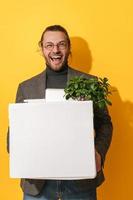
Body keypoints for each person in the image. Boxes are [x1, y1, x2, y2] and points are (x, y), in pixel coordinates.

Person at [7, 25, 113, 200]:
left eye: (61, 44)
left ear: (68, 47)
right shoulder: (26, 87)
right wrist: (20, 156)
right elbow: (15, 131)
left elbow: (104, 124)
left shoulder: (90, 83)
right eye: (49, 45)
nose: (55, 50)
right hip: (38, 184)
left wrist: (98, 153)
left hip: (80, 183)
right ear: (41, 48)